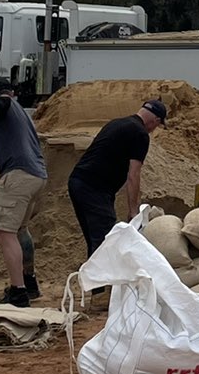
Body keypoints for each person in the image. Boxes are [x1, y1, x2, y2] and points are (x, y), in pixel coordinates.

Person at [0, 76, 45, 307]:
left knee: (4, 232)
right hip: (36, 174)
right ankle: (29, 282)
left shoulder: (0, 103)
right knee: (20, 229)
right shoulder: (21, 111)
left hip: (19, 175)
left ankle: (18, 292)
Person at [70, 99, 164, 259]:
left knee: (96, 240)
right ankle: (98, 283)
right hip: (94, 189)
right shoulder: (140, 134)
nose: (154, 130)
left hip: (77, 181)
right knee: (106, 241)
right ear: (155, 121)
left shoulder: (117, 123)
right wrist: (133, 210)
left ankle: (95, 281)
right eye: (157, 126)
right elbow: (133, 175)